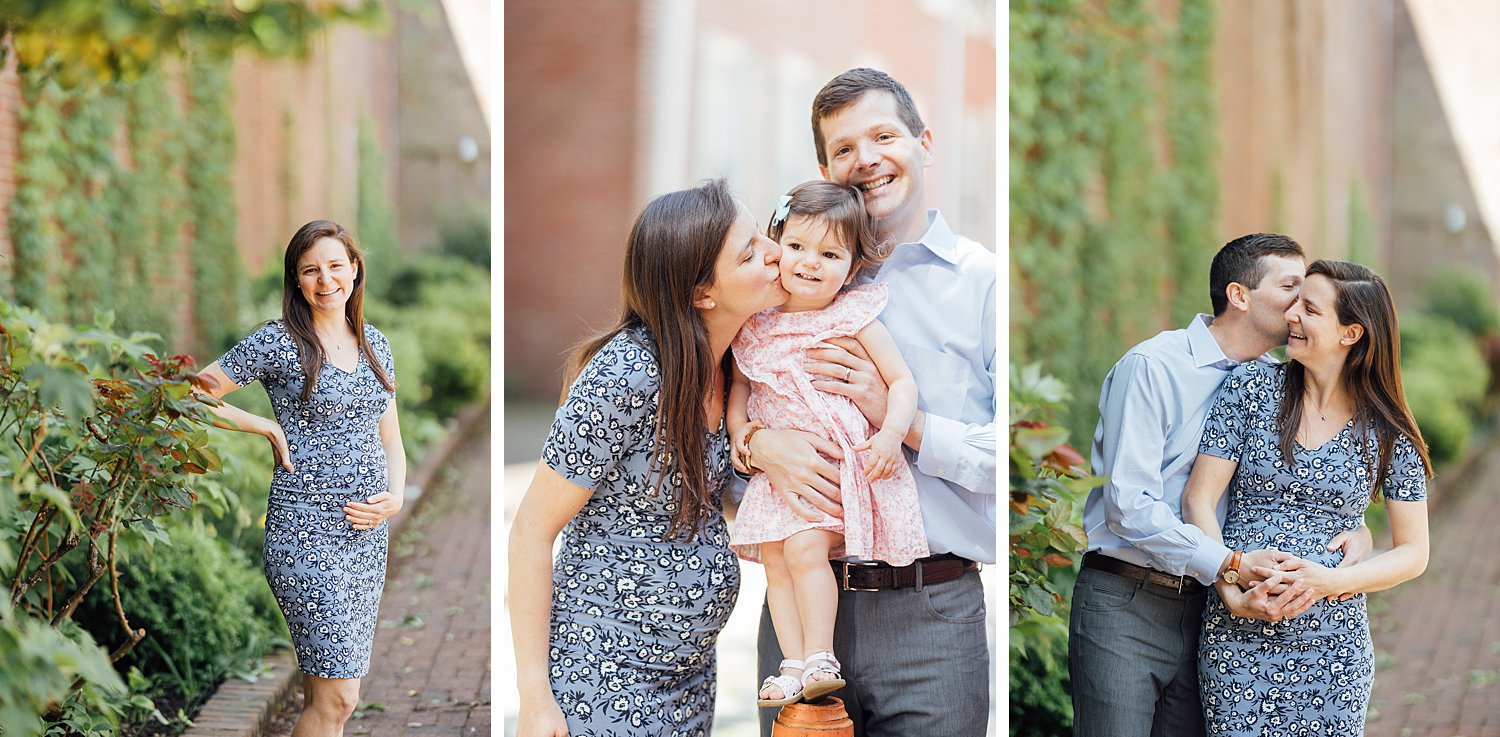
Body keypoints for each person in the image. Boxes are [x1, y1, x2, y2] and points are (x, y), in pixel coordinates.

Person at [745, 68, 996, 737]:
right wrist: (755, 443)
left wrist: (902, 421)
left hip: (931, 615)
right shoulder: (778, 281)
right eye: (845, 148)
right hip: (801, 610)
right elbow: (716, 397)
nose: (868, 159)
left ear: (925, 142)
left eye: (884, 135)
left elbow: (1012, 459)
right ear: (825, 168)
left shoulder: (983, 282)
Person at [509, 179, 790, 737]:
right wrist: (535, 698)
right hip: (603, 680)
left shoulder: (738, 364)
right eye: (750, 252)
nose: (775, 252)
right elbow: (530, 531)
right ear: (702, 294)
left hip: (690, 678)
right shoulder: (628, 374)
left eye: (763, 236)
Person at [1068, 233, 1373, 737]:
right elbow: (1128, 506)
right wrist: (1229, 567)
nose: (1302, 304)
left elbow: (1304, 480)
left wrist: (1356, 528)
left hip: (1221, 618)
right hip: (1128, 602)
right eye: (1291, 287)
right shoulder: (1153, 368)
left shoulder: (1276, 383)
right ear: (1239, 296)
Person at [1183, 259, 1431, 735]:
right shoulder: (1249, 388)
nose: (1292, 314)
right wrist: (1229, 588)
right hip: (1238, 637)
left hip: (1334, 649)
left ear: (1350, 334)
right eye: (1296, 301)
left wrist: (1328, 582)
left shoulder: (1387, 429)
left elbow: (1414, 553)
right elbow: (1199, 499)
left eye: (1310, 309)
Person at [195, 220, 405, 736]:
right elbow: (192, 393)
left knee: (330, 698)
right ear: (296, 279)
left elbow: (392, 441)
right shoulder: (280, 342)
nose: (325, 279)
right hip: (304, 533)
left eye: (335, 266)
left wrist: (395, 499)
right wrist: (263, 424)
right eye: (310, 270)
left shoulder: (375, 343)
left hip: (365, 539)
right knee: (339, 697)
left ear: (355, 270)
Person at [727, 180, 926, 708]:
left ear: (853, 266)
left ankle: (820, 654)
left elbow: (901, 382)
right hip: (776, 473)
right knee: (774, 558)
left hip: (832, 460)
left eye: (829, 253)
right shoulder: (757, 323)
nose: (810, 263)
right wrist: (739, 436)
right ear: (776, 244)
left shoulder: (851, 316)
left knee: (803, 548)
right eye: (796, 247)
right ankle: (792, 664)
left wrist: (889, 435)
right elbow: (741, 388)